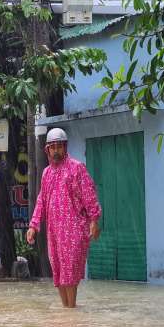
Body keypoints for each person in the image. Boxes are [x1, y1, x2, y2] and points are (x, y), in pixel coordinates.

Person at [27, 128, 101, 308]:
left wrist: (94, 219)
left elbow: (89, 194)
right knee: (58, 270)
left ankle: (71, 308)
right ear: (48, 150)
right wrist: (34, 225)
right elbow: (41, 201)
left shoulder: (76, 168)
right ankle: (66, 312)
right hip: (54, 230)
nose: (56, 151)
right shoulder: (46, 174)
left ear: (65, 147)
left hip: (74, 228)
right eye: (53, 148)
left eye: (60, 147)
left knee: (70, 270)